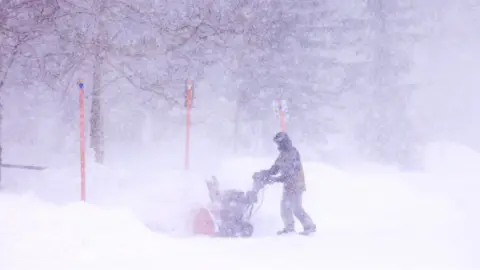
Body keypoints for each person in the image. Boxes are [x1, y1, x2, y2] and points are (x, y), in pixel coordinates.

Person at [260, 132, 316, 235]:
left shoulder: (293, 153)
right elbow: (276, 167)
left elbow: (291, 172)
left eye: (279, 143)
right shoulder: (283, 154)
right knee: (284, 207)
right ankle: (289, 229)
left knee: (296, 208)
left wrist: (275, 180)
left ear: (283, 142)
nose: (278, 146)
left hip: (296, 184)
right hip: (288, 185)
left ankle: (309, 226)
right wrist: (265, 174)